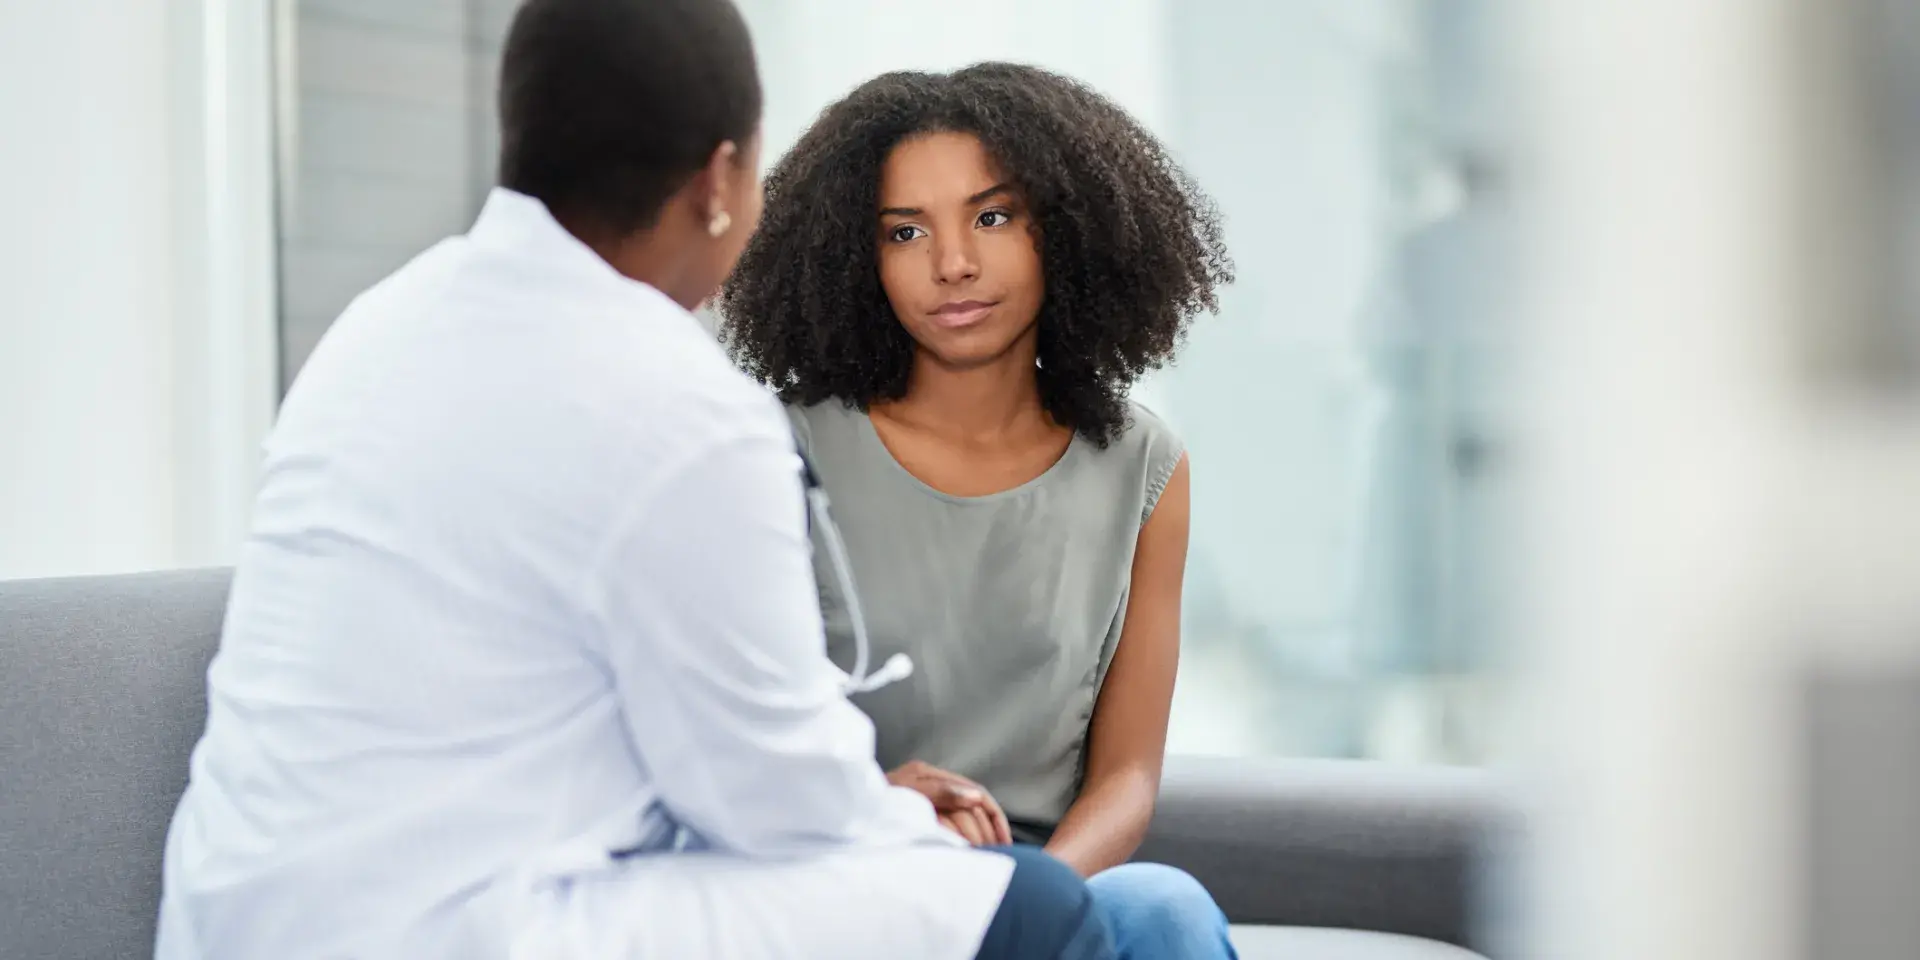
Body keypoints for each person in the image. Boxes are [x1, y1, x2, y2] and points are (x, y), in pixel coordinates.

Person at [154, 3, 1111, 959]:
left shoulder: (375, 326)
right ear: (720, 180)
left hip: (235, 922)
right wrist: (899, 817)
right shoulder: (682, 409)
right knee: (1030, 909)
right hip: (465, 924)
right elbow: (773, 805)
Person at [717, 63, 1238, 959]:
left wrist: (1035, 906)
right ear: (859, 256)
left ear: (1064, 231)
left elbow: (1125, 780)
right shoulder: (773, 451)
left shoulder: (1144, 469)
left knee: (1163, 911)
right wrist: (876, 811)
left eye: (991, 217)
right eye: (905, 231)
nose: (953, 264)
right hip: (847, 878)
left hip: (1043, 893)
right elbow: (728, 741)